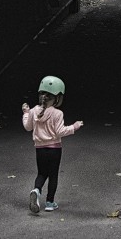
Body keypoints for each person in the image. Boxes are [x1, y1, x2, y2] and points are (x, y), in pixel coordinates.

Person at [22, 76, 83, 213]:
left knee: (42, 173)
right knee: (53, 174)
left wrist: (26, 114)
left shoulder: (33, 111)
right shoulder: (57, 113)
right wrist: (75, 126)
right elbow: (60, 132)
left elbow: (27, 127)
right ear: (57, 98)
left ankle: (36, 190)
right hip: (54, 149)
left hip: (39, 149)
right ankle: (50, 202)